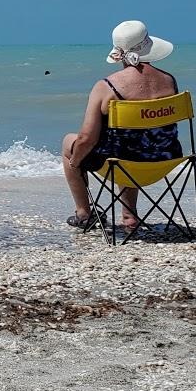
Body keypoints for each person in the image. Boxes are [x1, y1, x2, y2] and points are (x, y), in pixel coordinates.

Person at [62, 20, 183, 234]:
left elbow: (86, 139)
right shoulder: (169, 81)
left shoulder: (106, 87)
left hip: (123, 166)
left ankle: (84, 214)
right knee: (135, 141)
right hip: (165, 161)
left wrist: (75, 162)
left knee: (70, 143)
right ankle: (129, 216)